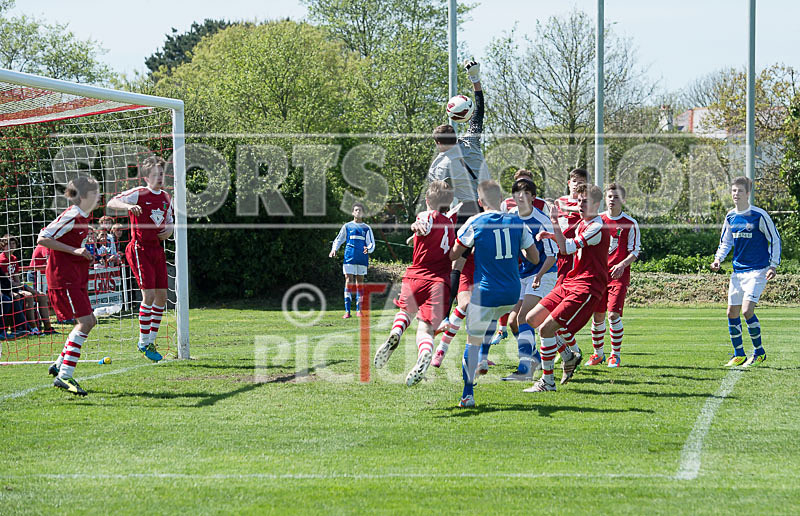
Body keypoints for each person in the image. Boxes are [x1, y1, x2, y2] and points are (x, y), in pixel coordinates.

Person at [449, 180, 539, 408]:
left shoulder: (475, 221)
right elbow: (534, 258)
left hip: (486, 291)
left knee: (472, 341)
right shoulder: (518, 221)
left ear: (480, 202)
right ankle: (485, 359)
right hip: (511, 292)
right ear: (501, 200)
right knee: (496, 316)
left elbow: (453, 255)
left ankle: (467, 394)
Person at [525, 183, 608, 392]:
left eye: (585, 201)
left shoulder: (598, 227)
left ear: (597, 204)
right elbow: (568, 244)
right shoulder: (583, 224)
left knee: (547, 328)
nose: (580, 204)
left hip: (587, 286)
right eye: (579, 201)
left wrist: (553, 223)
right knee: (532, 319)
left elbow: (568, 248)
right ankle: (569, 356)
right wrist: (552, 235)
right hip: (571, 281)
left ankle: (547, 382)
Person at [373, 181, 455, 386]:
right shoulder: (449, 225)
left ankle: (396, 332)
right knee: (425, 330)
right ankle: (426, 353)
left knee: (405, 312)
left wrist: (416, 226)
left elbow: (423, 223)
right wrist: (415, 234)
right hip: (439, 283)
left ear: (427, 200)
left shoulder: (426, 215)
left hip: (417, 276)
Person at [429, 60, 490, 333]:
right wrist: (474, 78)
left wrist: (438, 217)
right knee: (494, 262)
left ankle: (444, 313)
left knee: (456, 261)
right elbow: (480, 111)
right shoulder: (472, 141)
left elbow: (441, 196)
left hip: (466, 210)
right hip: (488, 207)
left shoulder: (442, 163)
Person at [107, 155, 174, 362]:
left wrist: (169, 230)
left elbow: (170, 220)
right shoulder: (138, 193)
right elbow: (111, 202)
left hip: (156, 249)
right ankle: (143, 342)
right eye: (155, 174)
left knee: (162, 297)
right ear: (146, 177)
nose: (159, 177)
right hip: (139, 248)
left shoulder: (165, 197)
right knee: (149, 296)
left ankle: (150, 341)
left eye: (161, 173)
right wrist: (128, 207)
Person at [38, 176, 100, 396]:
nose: (99, 196)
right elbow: (43, 238)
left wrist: (83, 255)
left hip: (75, 276)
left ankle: (58, 364)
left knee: (89, 321)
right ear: (83, 196)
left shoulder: (85, 216)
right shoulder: (72, 214)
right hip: (63, 278)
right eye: (95, 193)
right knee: (85, 322)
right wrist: (75, 251)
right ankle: (64, 376)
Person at [711, 176, 781, 367]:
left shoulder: (759, 215)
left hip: (758, 270)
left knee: (746, 310)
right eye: (734, 191)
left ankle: (759, 352)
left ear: (748, 193)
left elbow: (774, 239)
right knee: (731, 313)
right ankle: (739, 354)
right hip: (737, 272)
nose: (736, 194)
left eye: (740, 191)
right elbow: (726, 242)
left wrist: (773, 265)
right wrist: (718, 259)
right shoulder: (730, 216)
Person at [500, 178, 558, 382]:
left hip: (545, 273)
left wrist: (540, 276)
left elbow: (552, 256)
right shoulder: (510, 217)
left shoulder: (541, 220)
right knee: (512, 323)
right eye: (516, 193)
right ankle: (538, 358)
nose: (520, 197)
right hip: (523, 275)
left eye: (525, 193)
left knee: (524, 318)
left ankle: (525, 369)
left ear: (533, 197)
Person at [585, 183, 640, 368]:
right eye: (609, 196)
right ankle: (598, 354)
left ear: (623, 200)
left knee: (613, 315)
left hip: (618, 276)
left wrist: (622, 264)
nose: (612, 200)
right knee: (597, 316)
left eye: (616, 197)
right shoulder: (597, 221)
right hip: (599, 275)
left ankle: (615, 356)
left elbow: (635, 250)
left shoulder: (630, 223)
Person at [0, 234, 55, 334]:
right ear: (3, 246)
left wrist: (21, 285)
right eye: (9, 244)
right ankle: (32, 327)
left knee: (42, 296)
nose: (12, 246)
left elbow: (16, 278)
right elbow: (6, 282)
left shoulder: (14, 259)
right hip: (7, 288)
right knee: (28, 296)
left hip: (16, 285)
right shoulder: (2, 259)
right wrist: (20, 286)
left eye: (13, 244)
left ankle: (48, 327)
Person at [330, 202, 375, 319]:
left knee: (360, 281)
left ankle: (359, 310)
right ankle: (347, 311)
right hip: (349, 257)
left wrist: (368, 249)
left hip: (362, 258)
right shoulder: (347, 226)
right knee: (348, 280)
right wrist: (334, 249)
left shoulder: (367, 228)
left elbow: (371, 243)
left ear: (363, 213)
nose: (358, 212)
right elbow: (339, 239)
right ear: (352, 212)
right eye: (356, 210)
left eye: (360, 210)